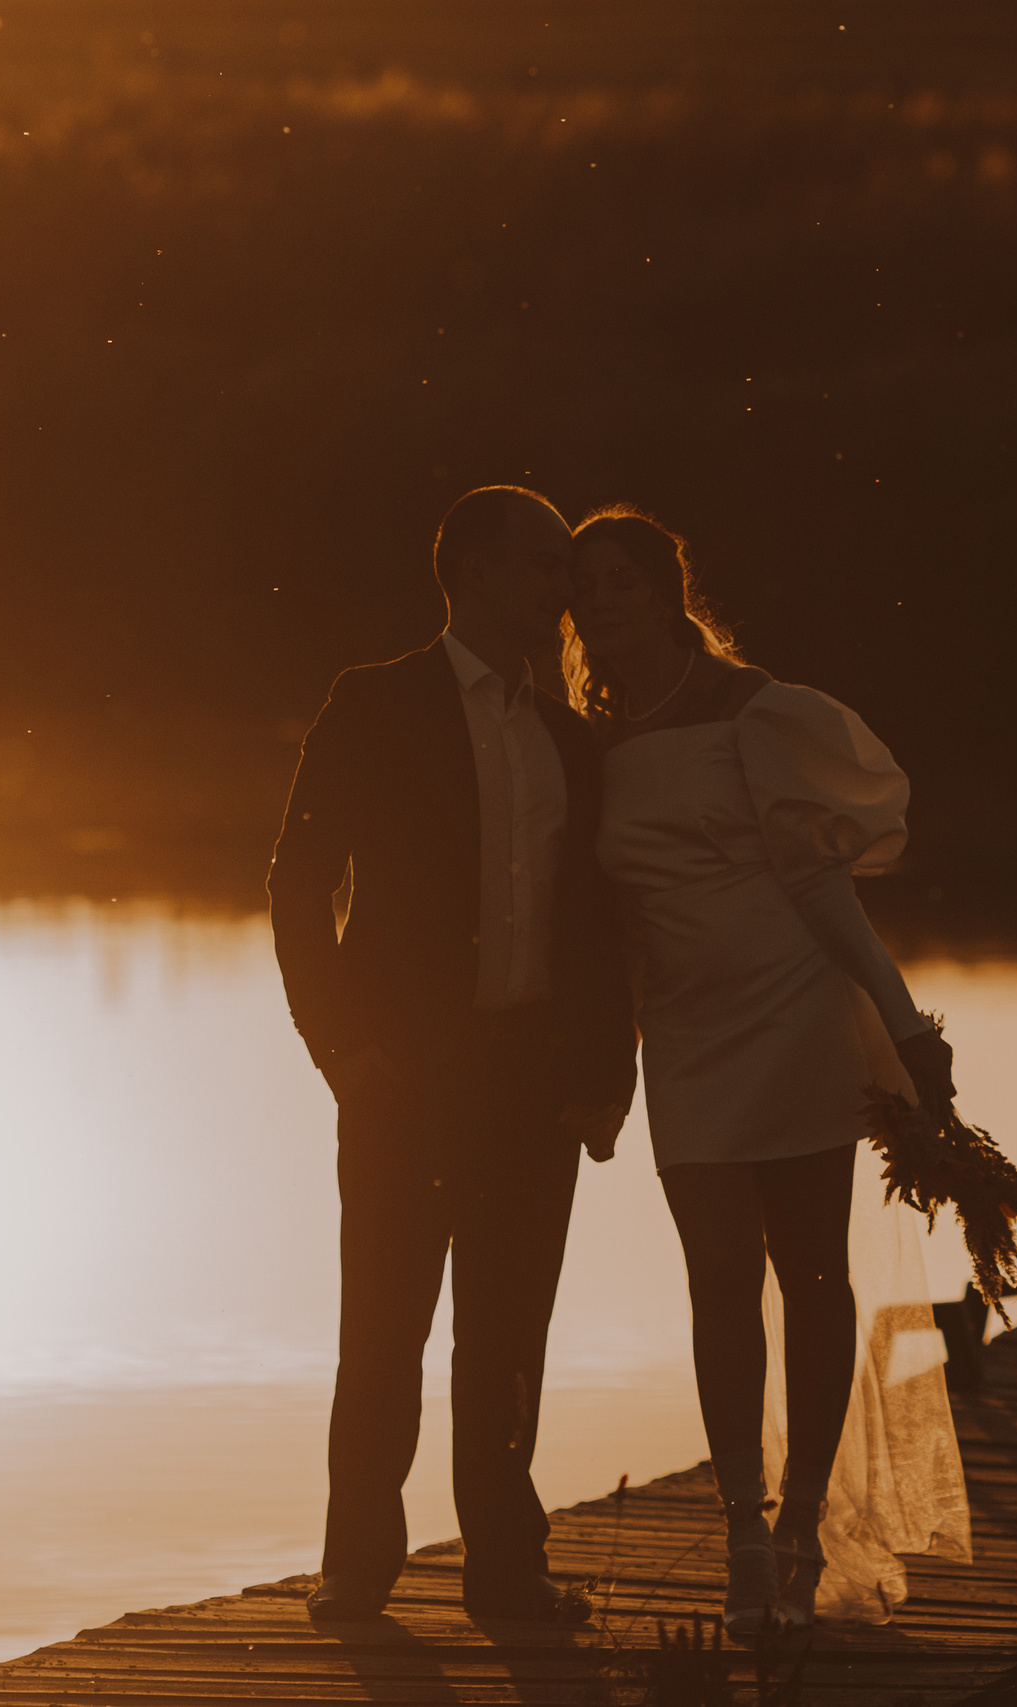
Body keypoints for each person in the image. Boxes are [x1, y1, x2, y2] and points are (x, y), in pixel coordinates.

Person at [565, 505, 970, 1643]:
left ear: (664, 591)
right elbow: (611, 934)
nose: (600, 607)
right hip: (687, 1037)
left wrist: (903, 1022)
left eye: (620, 585)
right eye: (583, 590)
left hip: (792, 1015)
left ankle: (799, 1525)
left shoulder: (757, 715)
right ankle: (741, 1523)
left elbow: (820, 888)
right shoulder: (590, 744)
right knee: (714, 1284)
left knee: (813, 1277)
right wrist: (610, 1071)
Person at [268, 485, 637, 1624]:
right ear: (474, 571)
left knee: (508, 1339)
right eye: (543, 568)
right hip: (403, 1079)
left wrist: (601, 1075)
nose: (561, 592)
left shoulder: (574, 738)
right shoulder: (376, 703)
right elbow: (296, 878)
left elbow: (600, 923)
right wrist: (341, 1047)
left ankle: (505, 1574)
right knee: (381, 1330)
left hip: (533, 1083)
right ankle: (356, 1571)